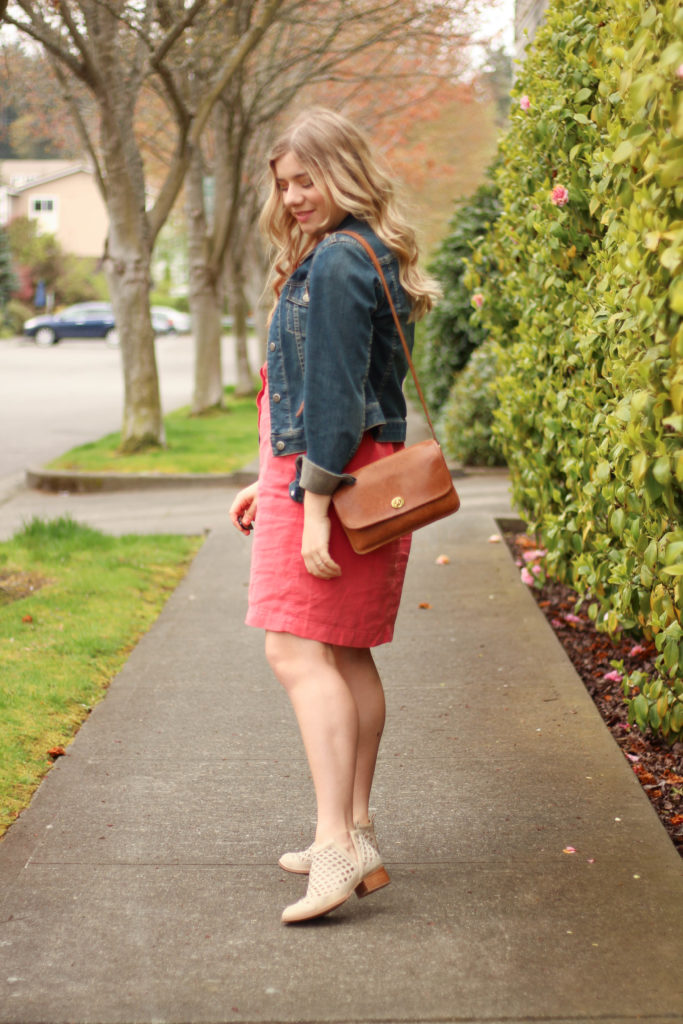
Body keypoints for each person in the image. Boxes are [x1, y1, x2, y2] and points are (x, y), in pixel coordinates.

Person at [229, 107, 438, 924]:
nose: (292, 196)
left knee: (293, 651)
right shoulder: (353, 255)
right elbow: (306, 390)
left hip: (330, 479)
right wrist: (263, 475)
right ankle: (353, 829)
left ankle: (336, 845)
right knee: (344, 655)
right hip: (336, 472)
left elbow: (336, 399)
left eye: (306, 178)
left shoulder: (340, 266)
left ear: (343, 171)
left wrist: (309, 505)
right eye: (284, 183)